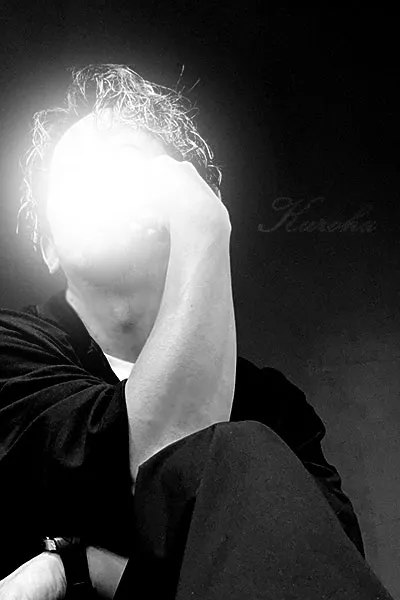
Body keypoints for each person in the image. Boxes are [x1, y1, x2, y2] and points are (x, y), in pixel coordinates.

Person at [0, 64, 392, 599]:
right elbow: (159, 464)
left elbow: (313, 567)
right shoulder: (13, 352)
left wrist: (81, 565)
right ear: (48, 245)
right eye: (74, 178)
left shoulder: (273, 406)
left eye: (128, 164)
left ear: (184, 196)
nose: (101, 183)